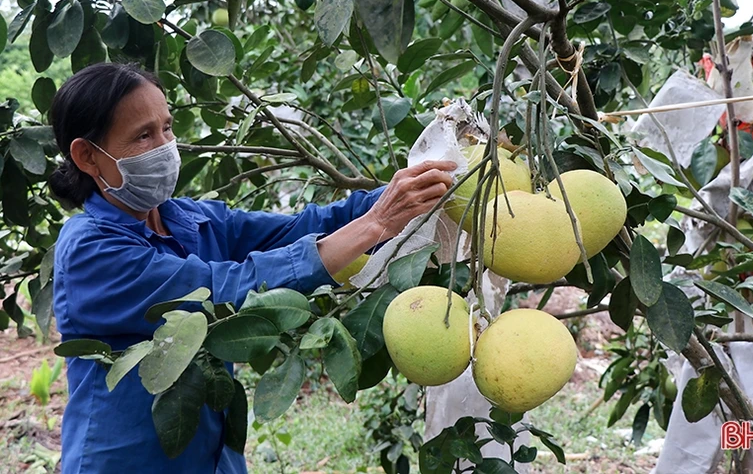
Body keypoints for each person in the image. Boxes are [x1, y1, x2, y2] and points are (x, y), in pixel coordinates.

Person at [49, 63, 456, 473]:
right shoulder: (90, 250)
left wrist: (410, 190)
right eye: (143, 135)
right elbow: (223, 290)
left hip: (213, 458)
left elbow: (304, 227)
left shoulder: (188, 219)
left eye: (167, 128)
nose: (164, 146)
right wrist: (374, 225)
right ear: (87, 156)